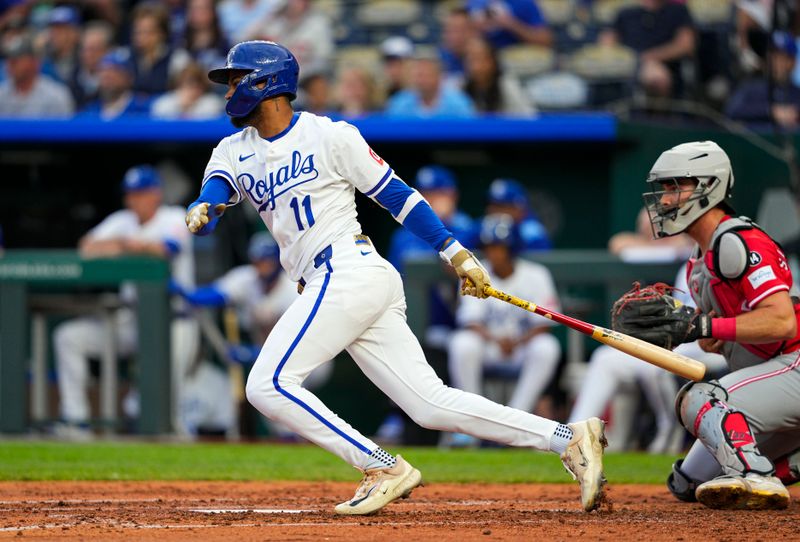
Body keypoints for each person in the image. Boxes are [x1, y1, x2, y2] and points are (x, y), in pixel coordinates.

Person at [185, 40, 607, 515]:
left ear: (269, 84)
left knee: (266, 385)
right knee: (430, 405)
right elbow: (217, 186)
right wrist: (205, 204)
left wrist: (457, 254)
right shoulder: (231, 149)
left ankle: (380, 465)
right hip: (336, 281)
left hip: (349, 270)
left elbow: (398, 197)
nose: (229, 92)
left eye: (237, 80)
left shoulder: (331, 136)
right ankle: (568, 438)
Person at [631, 140, 800, 509]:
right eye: (664, 189)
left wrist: (707, 328)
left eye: (676, 187)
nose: (666, 200)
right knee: (688, 483)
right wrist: (710, 337)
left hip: (796, 364)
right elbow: (730, 330)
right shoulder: (697, 263)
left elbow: (783, 321)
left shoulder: (739, 241)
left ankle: (756, 477)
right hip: (776, 374)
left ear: (709, 186)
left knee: (700, 397)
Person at [53, 166, 196, 439]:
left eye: (141, 193)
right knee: (69, 337)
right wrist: (125, 243)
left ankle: (177, 443)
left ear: (156, 194)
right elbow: (86, 248)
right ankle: (76, 420)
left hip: (173, 323)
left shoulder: (175, 217)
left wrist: (124, 246)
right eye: (130, 194)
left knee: (171, 401)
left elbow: (165, 250)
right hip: (132, 321)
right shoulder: (122, 221)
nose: (134, 200)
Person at [570, 263, 726, 454]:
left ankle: (667, 437)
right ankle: (572, 437)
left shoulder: (726, 263)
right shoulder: (690, 265)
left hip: (714, 345)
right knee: (605, 358)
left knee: (655, 367)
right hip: (679, 343)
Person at [448, 214, 562, 446]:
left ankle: (517, 420)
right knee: (462, 343)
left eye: (500, 247)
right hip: (490, 347)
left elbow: (544, 324)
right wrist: (497, 340)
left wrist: (518, 341)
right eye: (489, 247)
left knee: (547, 348)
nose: (493, 253)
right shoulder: (477, 273)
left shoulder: (536, 274)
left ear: (513, 249)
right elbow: (470, 321)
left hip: (522, 348)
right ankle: (472, 421)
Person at [600, 0, 696, 98]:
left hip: (667, 66)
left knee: (657, 78)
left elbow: (686, 45)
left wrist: (649, 58)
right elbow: (607, 42)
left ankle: (658, 112)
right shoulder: (626, 11)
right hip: (629, 66)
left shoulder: (678, 11)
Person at [726, 31, 800, 128]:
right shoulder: (750, 88)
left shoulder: (797, 93)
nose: (776, 64)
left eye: (782, 58)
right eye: (772, 57)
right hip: (752, 140)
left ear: (793, 62)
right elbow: (731, 111)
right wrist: (771, 111)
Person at [0, 34, 74, 118]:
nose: (10, 64)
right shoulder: (1, 94)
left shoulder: (55, 96)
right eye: (8, 60)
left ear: (34, 62)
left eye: (16, 60)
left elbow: (64, 130)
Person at [385, 52, 476, 118]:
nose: (422, 80)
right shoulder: (399, 104)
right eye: (419, 75)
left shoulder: (459, 104)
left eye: (427, 75)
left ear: (439, 77)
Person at [129, 2, 190, 97]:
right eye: (137, 32)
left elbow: (184, 92)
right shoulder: (126, 57)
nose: (140, 37)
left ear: (162, 34)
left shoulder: (177, 58)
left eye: (147, 32)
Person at [462, 36, 533, 115]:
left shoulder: (507, 86)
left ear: (493, 61)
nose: (476, 66)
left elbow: (528, 117)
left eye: (481, 58)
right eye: (471, 59)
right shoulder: (460, 87)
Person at [80, 48, 151, 119]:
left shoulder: (143, 109)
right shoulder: (91, 110)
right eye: (103, 71)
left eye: (115, 71)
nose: (107, 76)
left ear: (129, 78)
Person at [485, 178, 551, 251]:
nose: (492, 210)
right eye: (491, 204)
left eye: (501, 206)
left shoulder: (531, 230)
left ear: (518, 207)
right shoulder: (484, 225)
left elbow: (540, 259)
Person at [150, 61, 224, 119]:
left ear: (202, 87)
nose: (191, 90)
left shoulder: (211, 103)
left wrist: (190, 108)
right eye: (187, 84)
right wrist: (181, 107)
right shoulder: (165, 102)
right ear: (178, 85)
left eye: (195, 86)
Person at [467, 0, 553, 49]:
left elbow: (546, 40)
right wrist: (476, 30)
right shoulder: (474, 3)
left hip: (518, 60)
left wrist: (512, 25)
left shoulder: (524, 3)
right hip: (483, 61)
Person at [439, 6, 477, 88]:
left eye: (459, 30)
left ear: (473, 31)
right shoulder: (438, 58)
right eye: (448, 30)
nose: (453, 36)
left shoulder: (484, 58)